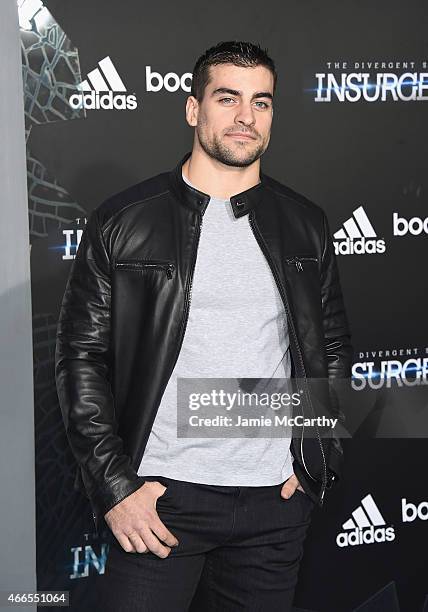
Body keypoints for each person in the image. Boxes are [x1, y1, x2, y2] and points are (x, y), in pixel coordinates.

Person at [55, 40, 352, 611]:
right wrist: (116, 488)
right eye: (228, 98)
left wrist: (319, 457)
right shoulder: (123, 222)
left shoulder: (305, 224)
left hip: (275, 504)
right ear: (193, 109)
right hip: (161, 501)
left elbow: (332, 346)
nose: (246, 117)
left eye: (261, 102)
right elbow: (82, 360)